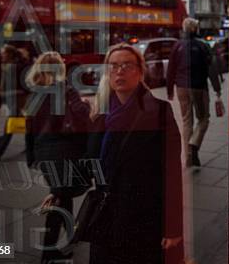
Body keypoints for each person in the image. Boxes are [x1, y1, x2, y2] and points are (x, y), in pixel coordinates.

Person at [87, 43, 183, 263]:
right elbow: (87, 162)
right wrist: (60, 190)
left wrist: (173, 227)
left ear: (140, 71)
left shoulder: (158, 111)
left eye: (127, 65)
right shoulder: (100, 114)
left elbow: (172, 173)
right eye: (113, 66)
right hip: (105, 218)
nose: (119, 71)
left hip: (142, 217)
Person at [24, 51, 91, 264]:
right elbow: (82, 117)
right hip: (65, 151)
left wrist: (32, 155)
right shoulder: (66, 90)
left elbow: (29, 129)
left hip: (44, 152)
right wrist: (87, 105)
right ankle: (49, 251)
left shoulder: (34, 94)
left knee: (63, 195)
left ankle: (69, 239)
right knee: (60, 198)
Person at [167, 17, 221, 167]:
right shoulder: (203, 46)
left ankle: (188, 157)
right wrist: (217, 89)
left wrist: (169, 89)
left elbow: (171, 69)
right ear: (196, 29)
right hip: (199, 87)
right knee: (203, 118)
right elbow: (211, 69)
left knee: (186, 121)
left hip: (181, 88)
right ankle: (194, 143)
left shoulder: (177, 46)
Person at [0, 44, 31, 162]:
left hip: (20, 101)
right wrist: (0, 98)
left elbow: (26, 85)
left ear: (10, 54)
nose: (1, 55)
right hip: (14, 102)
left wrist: (16, 91)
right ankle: (31, 146)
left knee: (9, 127)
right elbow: (4, 85)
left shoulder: (18, 67)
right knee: (25, 126)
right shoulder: (6, 66)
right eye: (1, 53)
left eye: (4, 53)